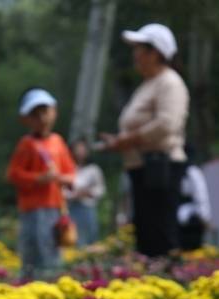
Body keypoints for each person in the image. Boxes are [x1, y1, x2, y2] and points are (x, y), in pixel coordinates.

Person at [100, 23, 189, 258]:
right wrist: (120, 140)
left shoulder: (169, 83)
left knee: (159, 231)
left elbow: (167, 124)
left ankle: (166, 273)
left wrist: (128, 140)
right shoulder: (150, 83)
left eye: (139, 48)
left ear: (155, 53)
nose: (135, 54)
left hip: (160, 166)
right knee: (146, 231)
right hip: (143, 166)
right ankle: (153, 272)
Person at [6, 87, 76, 279]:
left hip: (56, 207)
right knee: (34, 251)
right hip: (33, 208)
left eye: (45, 111)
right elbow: (13, 174)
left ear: (54, 112)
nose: (42, 118)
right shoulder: (26, 144)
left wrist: (62, 179)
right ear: (27, 119)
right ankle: (31, 284)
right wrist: (39, 178)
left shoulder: (57, 142)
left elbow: (70, 172)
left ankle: (51, 284)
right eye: (35, 114)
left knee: (53, 252)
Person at [64, 139, 105, 246]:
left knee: (90, 236)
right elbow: (62, 189)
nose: (80, 152)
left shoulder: (94, 169)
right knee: (73, 237)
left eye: (82, 149)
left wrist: (88, 193)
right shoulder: (67, 169)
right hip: (71, 207)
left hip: (88, 207)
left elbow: (100, 189)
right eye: (77, 149)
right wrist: (73, 195)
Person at [176, 146, 210, 250]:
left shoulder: (191, 171)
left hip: (190, 217)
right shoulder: (189, 171)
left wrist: (204, 217)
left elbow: (200, 195)